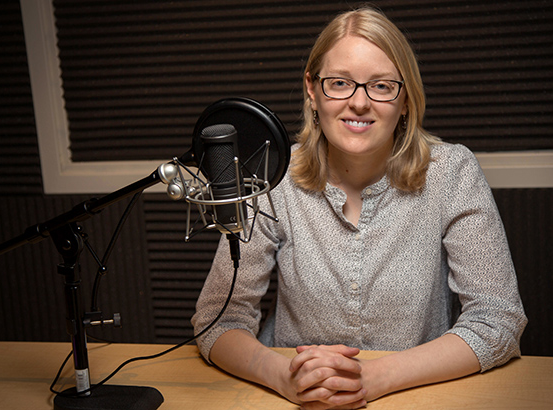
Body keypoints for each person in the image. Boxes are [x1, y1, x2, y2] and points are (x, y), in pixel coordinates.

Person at [191, 6, 527, 410]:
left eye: (382, 86)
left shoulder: (452, 173)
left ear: (405, 101)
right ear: (312, 92)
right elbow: (218, 320)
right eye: (339, 83)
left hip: (414, 396)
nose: (359, 103)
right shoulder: (271, 176)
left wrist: (373, 378)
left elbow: (497, 321)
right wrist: (284, 377)